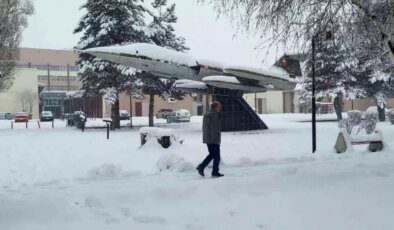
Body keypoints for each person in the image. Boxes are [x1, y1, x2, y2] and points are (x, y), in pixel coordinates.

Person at [196, 101, 224, 178]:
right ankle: (215, 172)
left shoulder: (208, 113)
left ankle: (201, 167)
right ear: (215, 107)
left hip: (208, 138)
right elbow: (214, 130)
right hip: (212, 139)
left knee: (212, 154)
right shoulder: (213, 115)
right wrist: (216, 141)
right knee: (217, 156)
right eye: (219, 106)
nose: (220, 108)